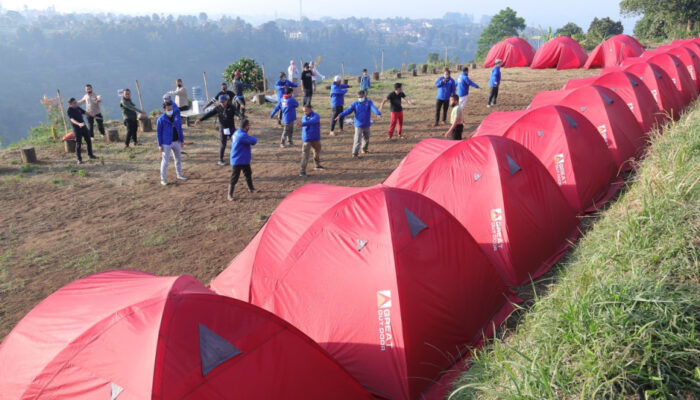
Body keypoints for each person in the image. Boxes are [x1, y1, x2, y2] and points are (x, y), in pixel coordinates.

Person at [197, 94, 241, 166]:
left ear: (226, 101)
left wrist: (241, 117)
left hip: (231, 128)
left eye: (223, 102)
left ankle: (236, 158)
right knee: (223, 144)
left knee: (235, 142)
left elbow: (237, 112)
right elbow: (209, 114)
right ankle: (221, 160)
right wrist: (200, 119)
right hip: (223, 128)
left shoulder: (232, 107)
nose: (222, 103)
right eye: (220, 102)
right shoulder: (218, 108)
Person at [336, 90, 382, 158]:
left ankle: (364, 149)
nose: (360, 98)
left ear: (364, 95)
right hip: (358, 124)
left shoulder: (369, 102)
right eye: (358, 97)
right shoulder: (355, 104)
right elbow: (348, 110)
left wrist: (378, 113)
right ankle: (354, 153)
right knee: (357, 139)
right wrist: (340, 115)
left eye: (361, 96)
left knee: (366, 138)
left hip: (366, 124)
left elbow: (374, 108)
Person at [156, 101, 187, 186]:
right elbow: (158, 133)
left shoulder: (176, 117)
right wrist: (160, 144)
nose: (170, 110)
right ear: (164, 109)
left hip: (176, 141)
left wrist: (182, 140)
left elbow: (180, 129)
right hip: (166, 143)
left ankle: (179, 174)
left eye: (171, 109)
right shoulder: (161, 119)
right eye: (168, 109)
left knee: (178, 159)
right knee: (165, 161)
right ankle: (163, 179)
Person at [228, 119, 258, 201]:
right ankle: (229, 195)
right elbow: (254, 141)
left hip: (242, 159)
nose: (249, 127)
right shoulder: (242, 135)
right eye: (248, 125)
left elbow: (231, 140)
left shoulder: (236, 132)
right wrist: (252, 138)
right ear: (245, 127)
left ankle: (251, 188)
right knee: (235, 177)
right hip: (238, 160)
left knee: (248, 173)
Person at [66, 97, 97, 164]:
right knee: (78, 143)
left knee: (88, 141)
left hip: (83, 127)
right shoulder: (69, 111)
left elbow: (85, 112)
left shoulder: (77, 108)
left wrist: (93, 116)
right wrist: (78, 124)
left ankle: (90, 155)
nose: (76, 104)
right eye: (74, 103)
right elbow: (72, 119)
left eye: (76, 102)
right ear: (70, 104)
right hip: (76, 129)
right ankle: (79, 159)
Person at [297, 104, 324, 177]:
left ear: (310, 109)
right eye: (303, 111)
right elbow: (308, 122)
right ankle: (302, 171)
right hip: (307, 138)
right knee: (305, 154)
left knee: (317, 151)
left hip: (315, 138)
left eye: (306, 110)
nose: (304, 112)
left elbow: (313, 121)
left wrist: (302, 124)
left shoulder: (316, 116)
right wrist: (303, 124)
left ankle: (317, 165)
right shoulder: (304, 117)